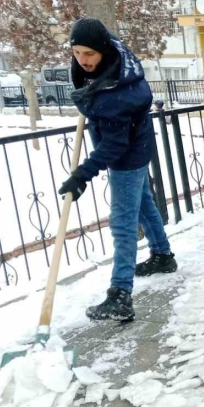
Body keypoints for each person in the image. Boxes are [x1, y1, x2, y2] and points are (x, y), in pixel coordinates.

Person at [59, 18, 177, 321]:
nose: (82, 60)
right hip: (139, 144)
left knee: (123, 224)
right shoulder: (113, 55)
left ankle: (120, 295)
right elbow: (96, 36)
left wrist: (81, 174)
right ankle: (163, 255)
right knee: (144, 203)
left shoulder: (116, 95)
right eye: (76, 52)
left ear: (103, 51)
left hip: (127, 156)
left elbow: (114, 145)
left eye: (89, 54)